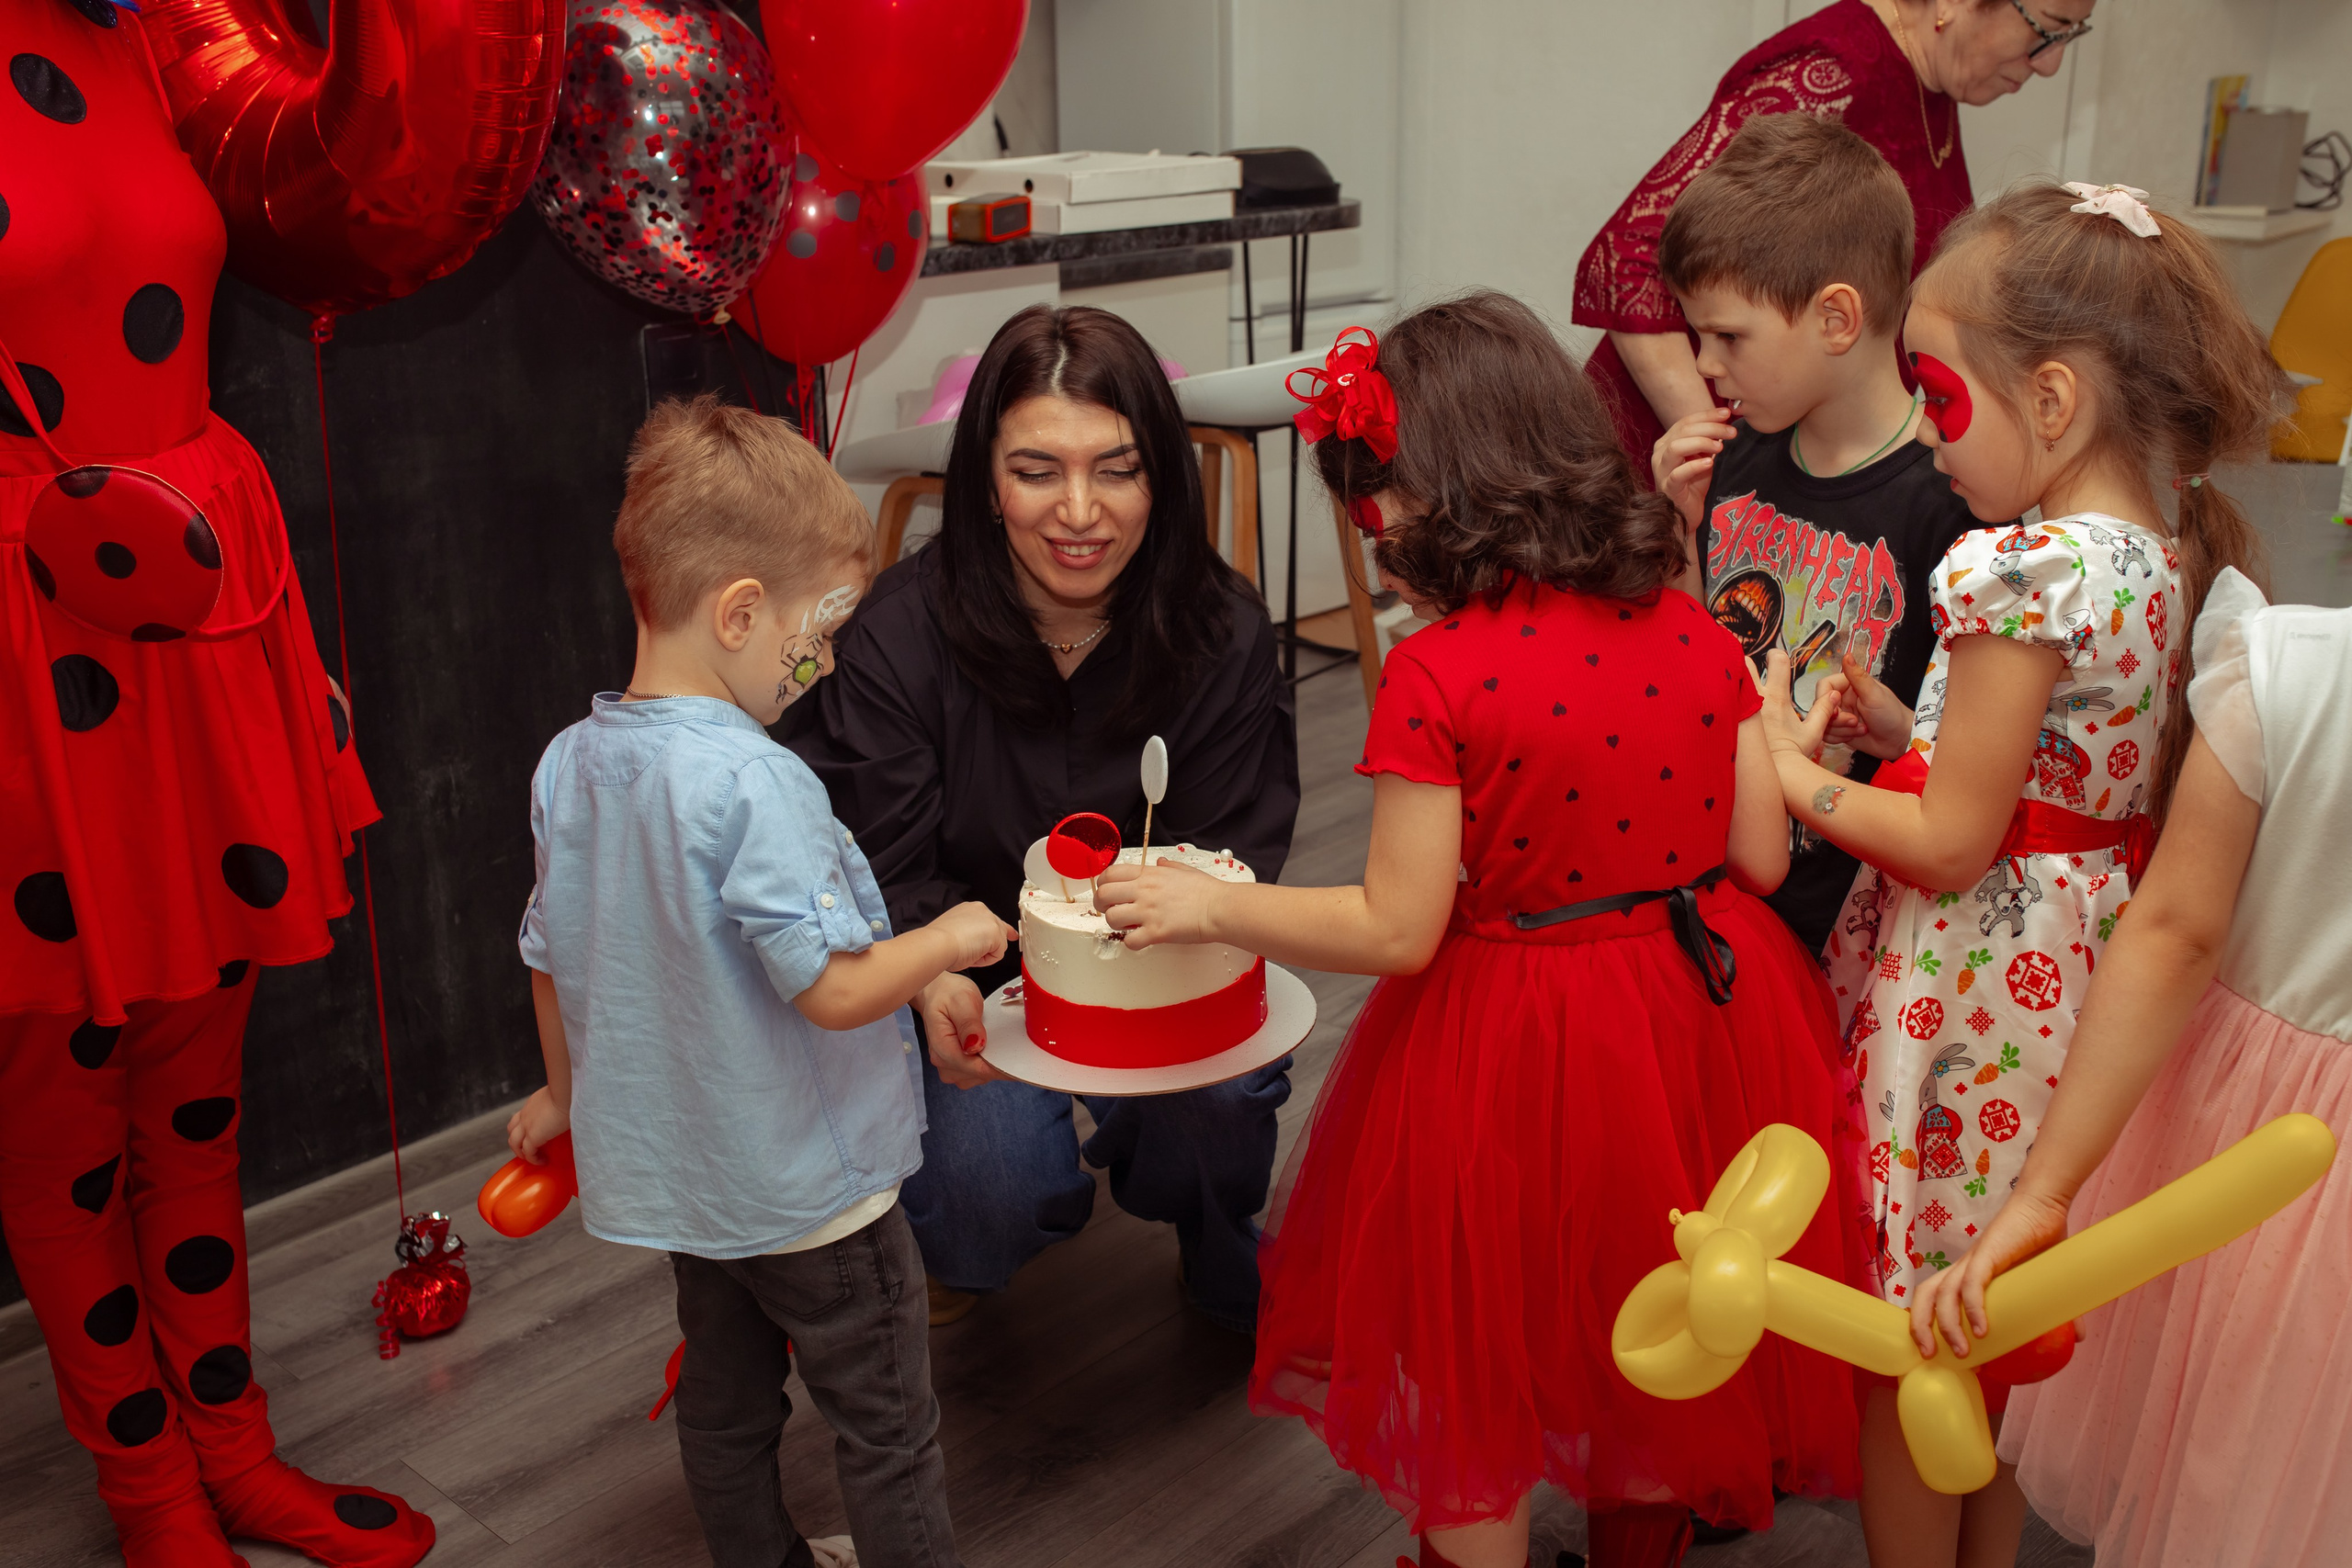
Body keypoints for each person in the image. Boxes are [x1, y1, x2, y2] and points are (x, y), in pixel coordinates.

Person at [1100, 292, 1866, 1568]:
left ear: (1444, 487)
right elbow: (1762, 855)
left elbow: (1398, 925)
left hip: (1514, 1030)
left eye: (1379, 494)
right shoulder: (1692, 629)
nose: (1375, 523)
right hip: (1697, 1019)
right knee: (1661, 1304)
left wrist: (1212, 902)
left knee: (1473, 1342)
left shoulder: (1440, 672)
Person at [1758, 181, 2288, 1568]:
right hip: (2069, 980)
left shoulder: (2023, 566)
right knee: (1993, 1342)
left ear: (2051, 399)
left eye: (1939, 397)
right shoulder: (2155, 548)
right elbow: (2053, 770)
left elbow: (1950, 841)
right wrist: (1900, 729)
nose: (1929, 436)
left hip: (1976, 993)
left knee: (1907, 1339)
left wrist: (1789, 770)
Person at [0, 4, 428, 1563]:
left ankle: (237, 1456)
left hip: (193, 598)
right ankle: (150, 1496)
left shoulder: (131, 38)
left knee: (192, 1090)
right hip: (29, 637)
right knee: (61, 1110)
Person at [505, 397, 1011, 1568]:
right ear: (740, 612)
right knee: (886, 1426)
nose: (824, 659)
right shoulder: (754, 781)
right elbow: (831, 991)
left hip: (695, 1192)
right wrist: (945, 944)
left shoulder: (571, 764)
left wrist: (563, 1095)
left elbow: (550, 957)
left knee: (727, 1406)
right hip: (812, 1194)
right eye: (822, 628)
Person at [778, 305, 1298, 1335]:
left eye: (1117, 468)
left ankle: (1206, 1219)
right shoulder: (899, 635)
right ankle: (967, 1229)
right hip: (970, 982)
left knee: (1220, 1101)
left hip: (1165, 963)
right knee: (985, 1213)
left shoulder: (1221, 628)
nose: (1079, 511)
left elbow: (1240, 851)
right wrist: (928, 982)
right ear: (983, 479)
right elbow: (869, 862)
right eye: (1035, 471)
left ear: (1164, 473)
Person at [1903, 570, 2346, 1568]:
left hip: (2252, 1149)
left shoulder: (2289, 667)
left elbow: (2175, 934)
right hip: (2275, 1144)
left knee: (2228, 1460)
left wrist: (2045, 1193)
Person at [1652, 112, 1987, 957]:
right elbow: (1693, 664)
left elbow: (1959, 750)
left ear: (1838, 318)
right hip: (1707, 881)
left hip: (1841, 930)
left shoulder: (1951, 503)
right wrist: (1677, 535)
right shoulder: (1732, 460)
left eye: (1728, 335)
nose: (1702, 362)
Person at [1574, 0, 2094, 469]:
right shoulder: (1831, 68)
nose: (2050, 63)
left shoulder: (1932, 81)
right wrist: (1721, 458)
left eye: (2075, 35)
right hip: (1664, 454)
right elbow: (1627, 257)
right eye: (2047, 29)